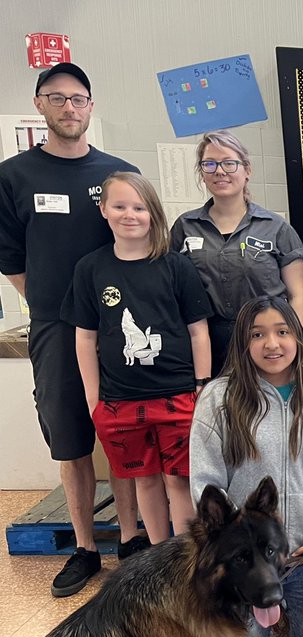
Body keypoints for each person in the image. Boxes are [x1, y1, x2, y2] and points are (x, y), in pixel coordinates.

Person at [0, 62, 145, 596]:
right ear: (40, 104)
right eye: (56, 98)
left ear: (91, 106)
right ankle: (85, 549)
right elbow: (11, 257)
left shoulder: (117, 174)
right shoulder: (14, 176)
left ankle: (131, 539)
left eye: (78, 99)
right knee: (71, 439)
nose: (68, 107)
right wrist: (52, 306)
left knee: (124, 430)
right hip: (57, 331)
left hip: (118, 331)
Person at [189, 298, 303, 637]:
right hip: (246, 562)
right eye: (258, 334)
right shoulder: (218, 399)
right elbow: (206, 486)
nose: (272, 344)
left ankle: (290, 607)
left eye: (282, 332)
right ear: (242, 342)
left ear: (297, 338)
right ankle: (264, 612)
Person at [64, 172, 212, 544]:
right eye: (120, 206)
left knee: (179, 479)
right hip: (121, 400)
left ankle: (185, 558)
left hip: (179, 394)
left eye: (139, 207)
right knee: (145, 479)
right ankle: (160, 555)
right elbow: (85, 339)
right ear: (104, 210)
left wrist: (202, 386)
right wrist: (94, 398)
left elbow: (199, 332)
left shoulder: (176, 266)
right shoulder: (90, 269)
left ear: (153, 213)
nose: (130, 214)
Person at [170, 130, 303, 374]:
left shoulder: (276, 228)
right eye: (210, 164)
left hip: (267, 344)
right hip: (207, 347)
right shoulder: (185, 227)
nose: (219, 171)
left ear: (247, 170)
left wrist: (298, 352)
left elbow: (297, 296)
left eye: (229, 163)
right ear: (202, 173)